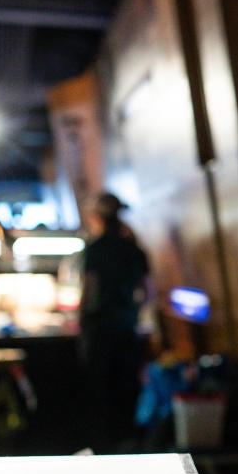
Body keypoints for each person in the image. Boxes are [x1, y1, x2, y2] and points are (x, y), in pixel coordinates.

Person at [79, 191, 150, 451]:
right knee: (126, 388)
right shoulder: (134, 249)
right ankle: (128, 443)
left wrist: (81, 322)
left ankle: (103, 447)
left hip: (99, 328)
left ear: (97, 217)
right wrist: (132, 310)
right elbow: (146, 291)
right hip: (126, 326)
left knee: (101, 391)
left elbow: (89, 291)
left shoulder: (95, 248)